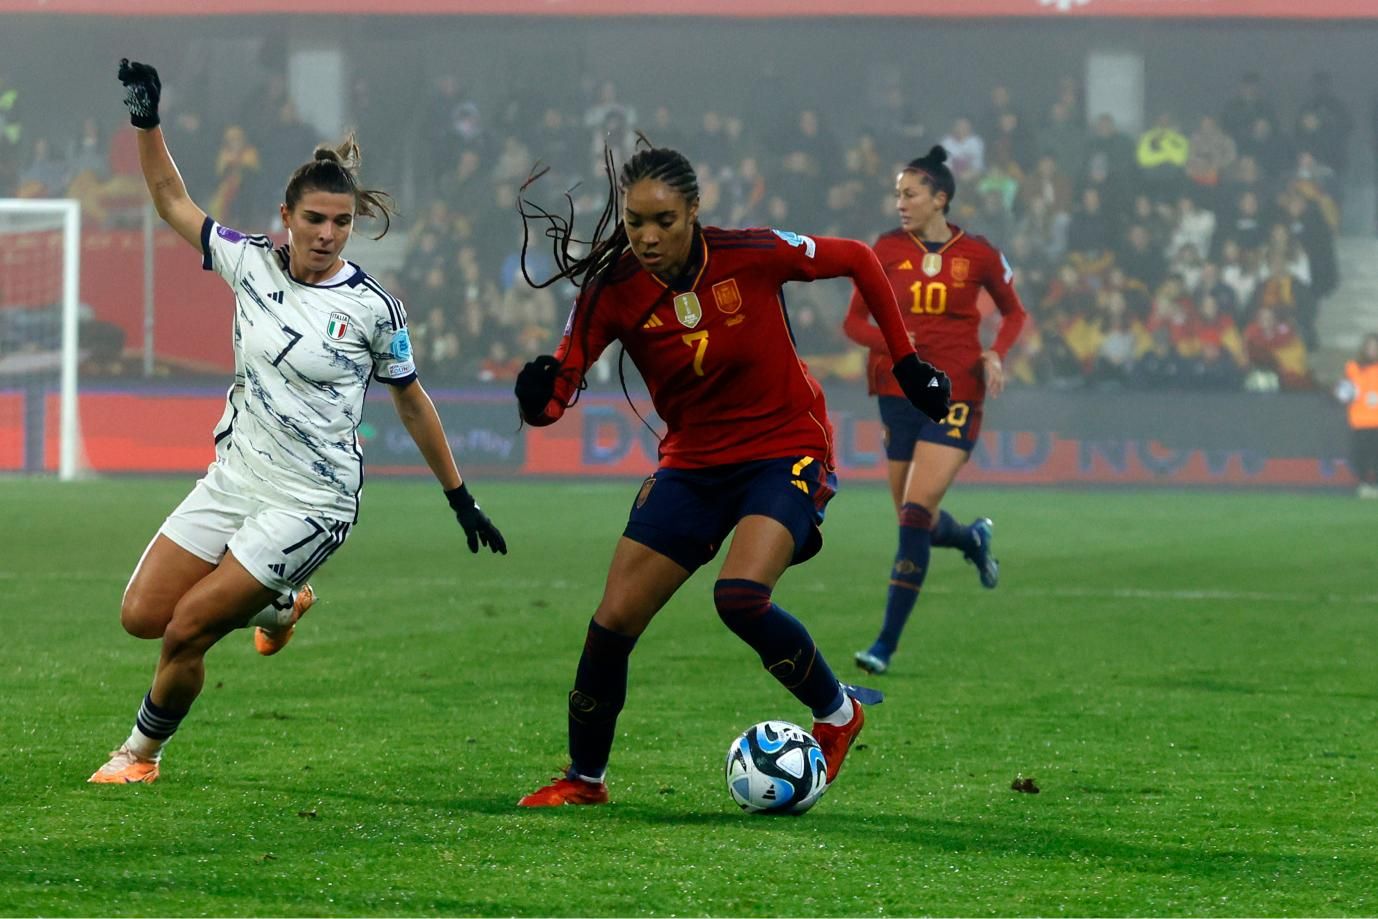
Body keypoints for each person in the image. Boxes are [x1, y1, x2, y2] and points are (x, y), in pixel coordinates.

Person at [89, 60, 506, 785]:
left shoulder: (373, 309)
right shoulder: (247, 263)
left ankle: (139, 754)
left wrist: (459, 494)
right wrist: (146, 120)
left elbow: (412, 399)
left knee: (188, 628)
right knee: (140, 614)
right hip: (235, 478)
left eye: (341, 223)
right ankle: (281, 603)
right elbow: (169, 198)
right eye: (314, 219)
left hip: (312, 503)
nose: (327, 234)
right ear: (286, 216)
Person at [510, 142, 950, 807]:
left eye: (664, 220)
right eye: (635, 223)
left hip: (786, 448)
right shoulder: (612, 293)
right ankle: (585, 778)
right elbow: (554, 396)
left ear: (694, 211)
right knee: (612, 622)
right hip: (691, 463)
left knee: (740, 595)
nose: (649, 236)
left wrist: (908, 362)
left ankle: (837, 715)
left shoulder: (750, 253)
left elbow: (858, 257)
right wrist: (533, 394)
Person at [842, 146, 1027, 676]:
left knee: (914, 515)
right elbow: (854, 324)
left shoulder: (981, 254)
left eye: (910, 194)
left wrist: (997, 351)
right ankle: (971, 538)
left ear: (939, 198)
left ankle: (883, 644)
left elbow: (1014, 314)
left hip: (957, 394)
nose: (900, 203)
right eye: (898, 194)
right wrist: (893, 343)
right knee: (910, 515)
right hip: (898, 394)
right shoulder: (883, 250)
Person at [1337, 333, 1378, 498]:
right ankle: (1363, 484)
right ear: (1364, 349)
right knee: (1361, 455)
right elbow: (1343, 390)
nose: (1373, 350)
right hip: (1359, 421)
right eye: (1370, 347)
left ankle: (1375, 485)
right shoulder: (1353, 367)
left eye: (1376, 347)